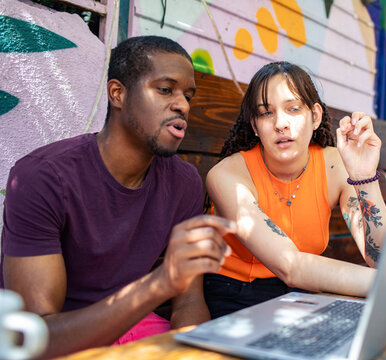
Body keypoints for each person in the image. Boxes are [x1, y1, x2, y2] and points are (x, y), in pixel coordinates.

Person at [0, 36, 236, 358]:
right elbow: (36, 339)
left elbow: (189, 300)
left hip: (133, 326)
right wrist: (159, 283)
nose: (183, 105)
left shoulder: (185, 182)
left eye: (187, 95)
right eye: (165, 90)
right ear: (118, 94)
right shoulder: (42, 178)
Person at [203, 61, 386, 319]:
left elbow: (381, 259)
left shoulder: (331, 163)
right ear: (254, 125)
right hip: (237, 300)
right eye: (266, 113)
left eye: (293, 109)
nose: (280, 123)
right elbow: (290, 266)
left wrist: (364, 176)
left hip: (302, 297)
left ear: (315, 116)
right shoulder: (227, 176)